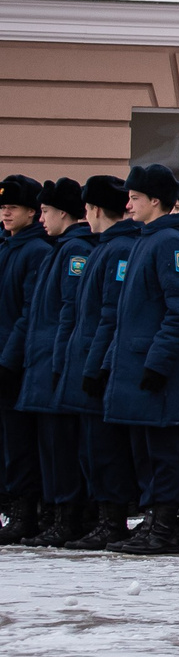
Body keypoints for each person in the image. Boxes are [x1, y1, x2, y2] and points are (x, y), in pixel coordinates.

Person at [93, 163, 179, 555]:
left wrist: (158, 362)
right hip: (136, 364)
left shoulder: (170, 242)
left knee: (161, 451)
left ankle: (164, 528)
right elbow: (125, 316)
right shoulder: (146, 239)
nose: (128, 203)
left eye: (135, 197)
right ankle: (152, 521)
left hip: (157, 368)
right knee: (144, 449)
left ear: (156, 201)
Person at [65, 174, 140, 549]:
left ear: (94, 209)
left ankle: (112, 522)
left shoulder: (117, 249)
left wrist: (95, 366)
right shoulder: (105, 246)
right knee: (92, 450)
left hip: (100, 365)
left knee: (105, 450)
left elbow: (109, 316)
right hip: (90, 359)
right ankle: (103, 518)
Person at [17, 181, 87, 545]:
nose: (41, 218)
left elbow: (68, 311)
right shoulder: (59, 248)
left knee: (60, 447)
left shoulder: (74, 249)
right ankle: (54, 514)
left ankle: (66, 516)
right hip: (44, 361)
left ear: (63, 213)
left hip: (54, 363)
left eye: (46, 212)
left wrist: (58, 361)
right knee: (48, 446)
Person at [0, 173, 54, 543]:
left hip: (15, 364)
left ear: (32, 212)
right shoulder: (7, 246)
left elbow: (28, 312)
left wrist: (8, 360)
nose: (5, 213)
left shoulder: (36, 251)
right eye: (2, 207)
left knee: (20, 442)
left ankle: (24, 511)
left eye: (12, 207)